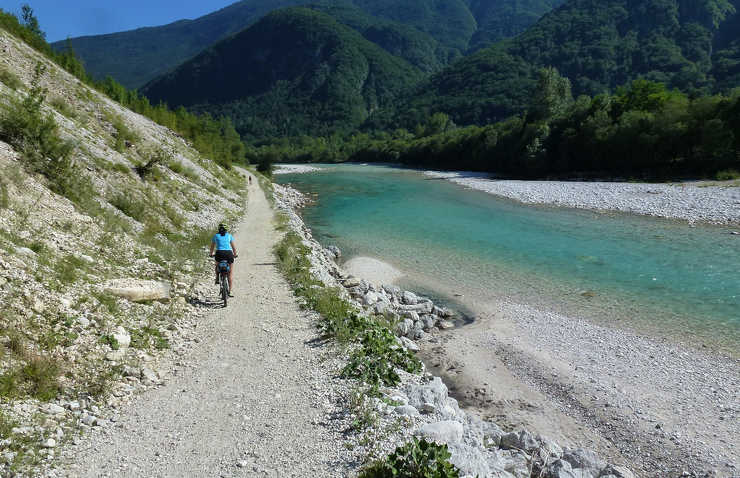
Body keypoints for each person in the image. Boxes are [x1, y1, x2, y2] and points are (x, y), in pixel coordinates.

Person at [209, 223, 238, 295]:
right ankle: (230, 292)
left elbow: (212, 247)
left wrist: (211, 254)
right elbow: (233, 247)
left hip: (219, 253)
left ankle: (217, 277)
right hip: (229, 254)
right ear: (226, 229)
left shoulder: (215, 236)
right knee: (230, 273)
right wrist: (235, 254)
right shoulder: (229, 236)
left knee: (217, 265)